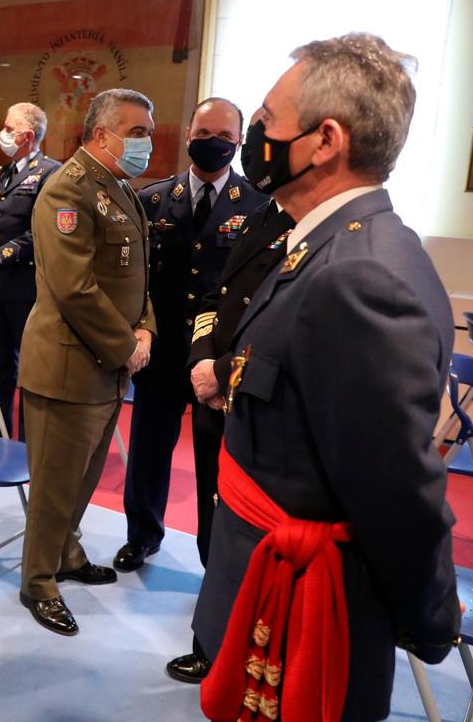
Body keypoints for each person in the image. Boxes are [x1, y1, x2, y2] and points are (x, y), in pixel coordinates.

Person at [195, 33, 460, 722]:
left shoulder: (360, 273)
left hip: (307, 602)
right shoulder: (317, 242)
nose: (254, 136)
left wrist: (430, 615)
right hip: (262, 570)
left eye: (266, 121)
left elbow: (396, 486)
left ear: (324, 140)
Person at [17, 89, 155, 636]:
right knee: (55, 484)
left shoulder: (119, 188)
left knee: (83, 479)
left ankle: (67, 556)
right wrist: (129, 345)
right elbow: (75, 288)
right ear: (103, 135)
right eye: (138, 132)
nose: (146, 142)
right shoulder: (66, 191)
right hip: (69, 365)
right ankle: (38, 582)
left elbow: (136, 275)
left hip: (105, 365)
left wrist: (145, 325)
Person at [116, 98, 266, 574]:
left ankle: (213, 555)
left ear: (238, 142)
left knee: (212, 464)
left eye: (224, 137)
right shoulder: (154, 199)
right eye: (205, 134)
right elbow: (136, 281)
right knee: (147, 449)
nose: (214, 144)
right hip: (159, 352)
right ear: (187, 135)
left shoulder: (259, 207)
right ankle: (141, 536)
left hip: (215, 360)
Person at [163, 189, 294, 684]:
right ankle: (212, 638)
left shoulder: (314, 231)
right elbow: (218, 299)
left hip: (253, 404)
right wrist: (201, 361)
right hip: (215, 396)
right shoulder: (261, 213)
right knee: (213, 521)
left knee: (248, 540)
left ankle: (236, 651)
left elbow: (285, 335)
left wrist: (222, 372)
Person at [0, 102, 60, 440]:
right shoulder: (2, 173)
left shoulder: (50, 173)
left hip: (26, 285)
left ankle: (27, 438)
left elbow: (43, 230)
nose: (3, 134)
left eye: (9, 129)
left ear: (27, 135)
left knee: (31, 368)